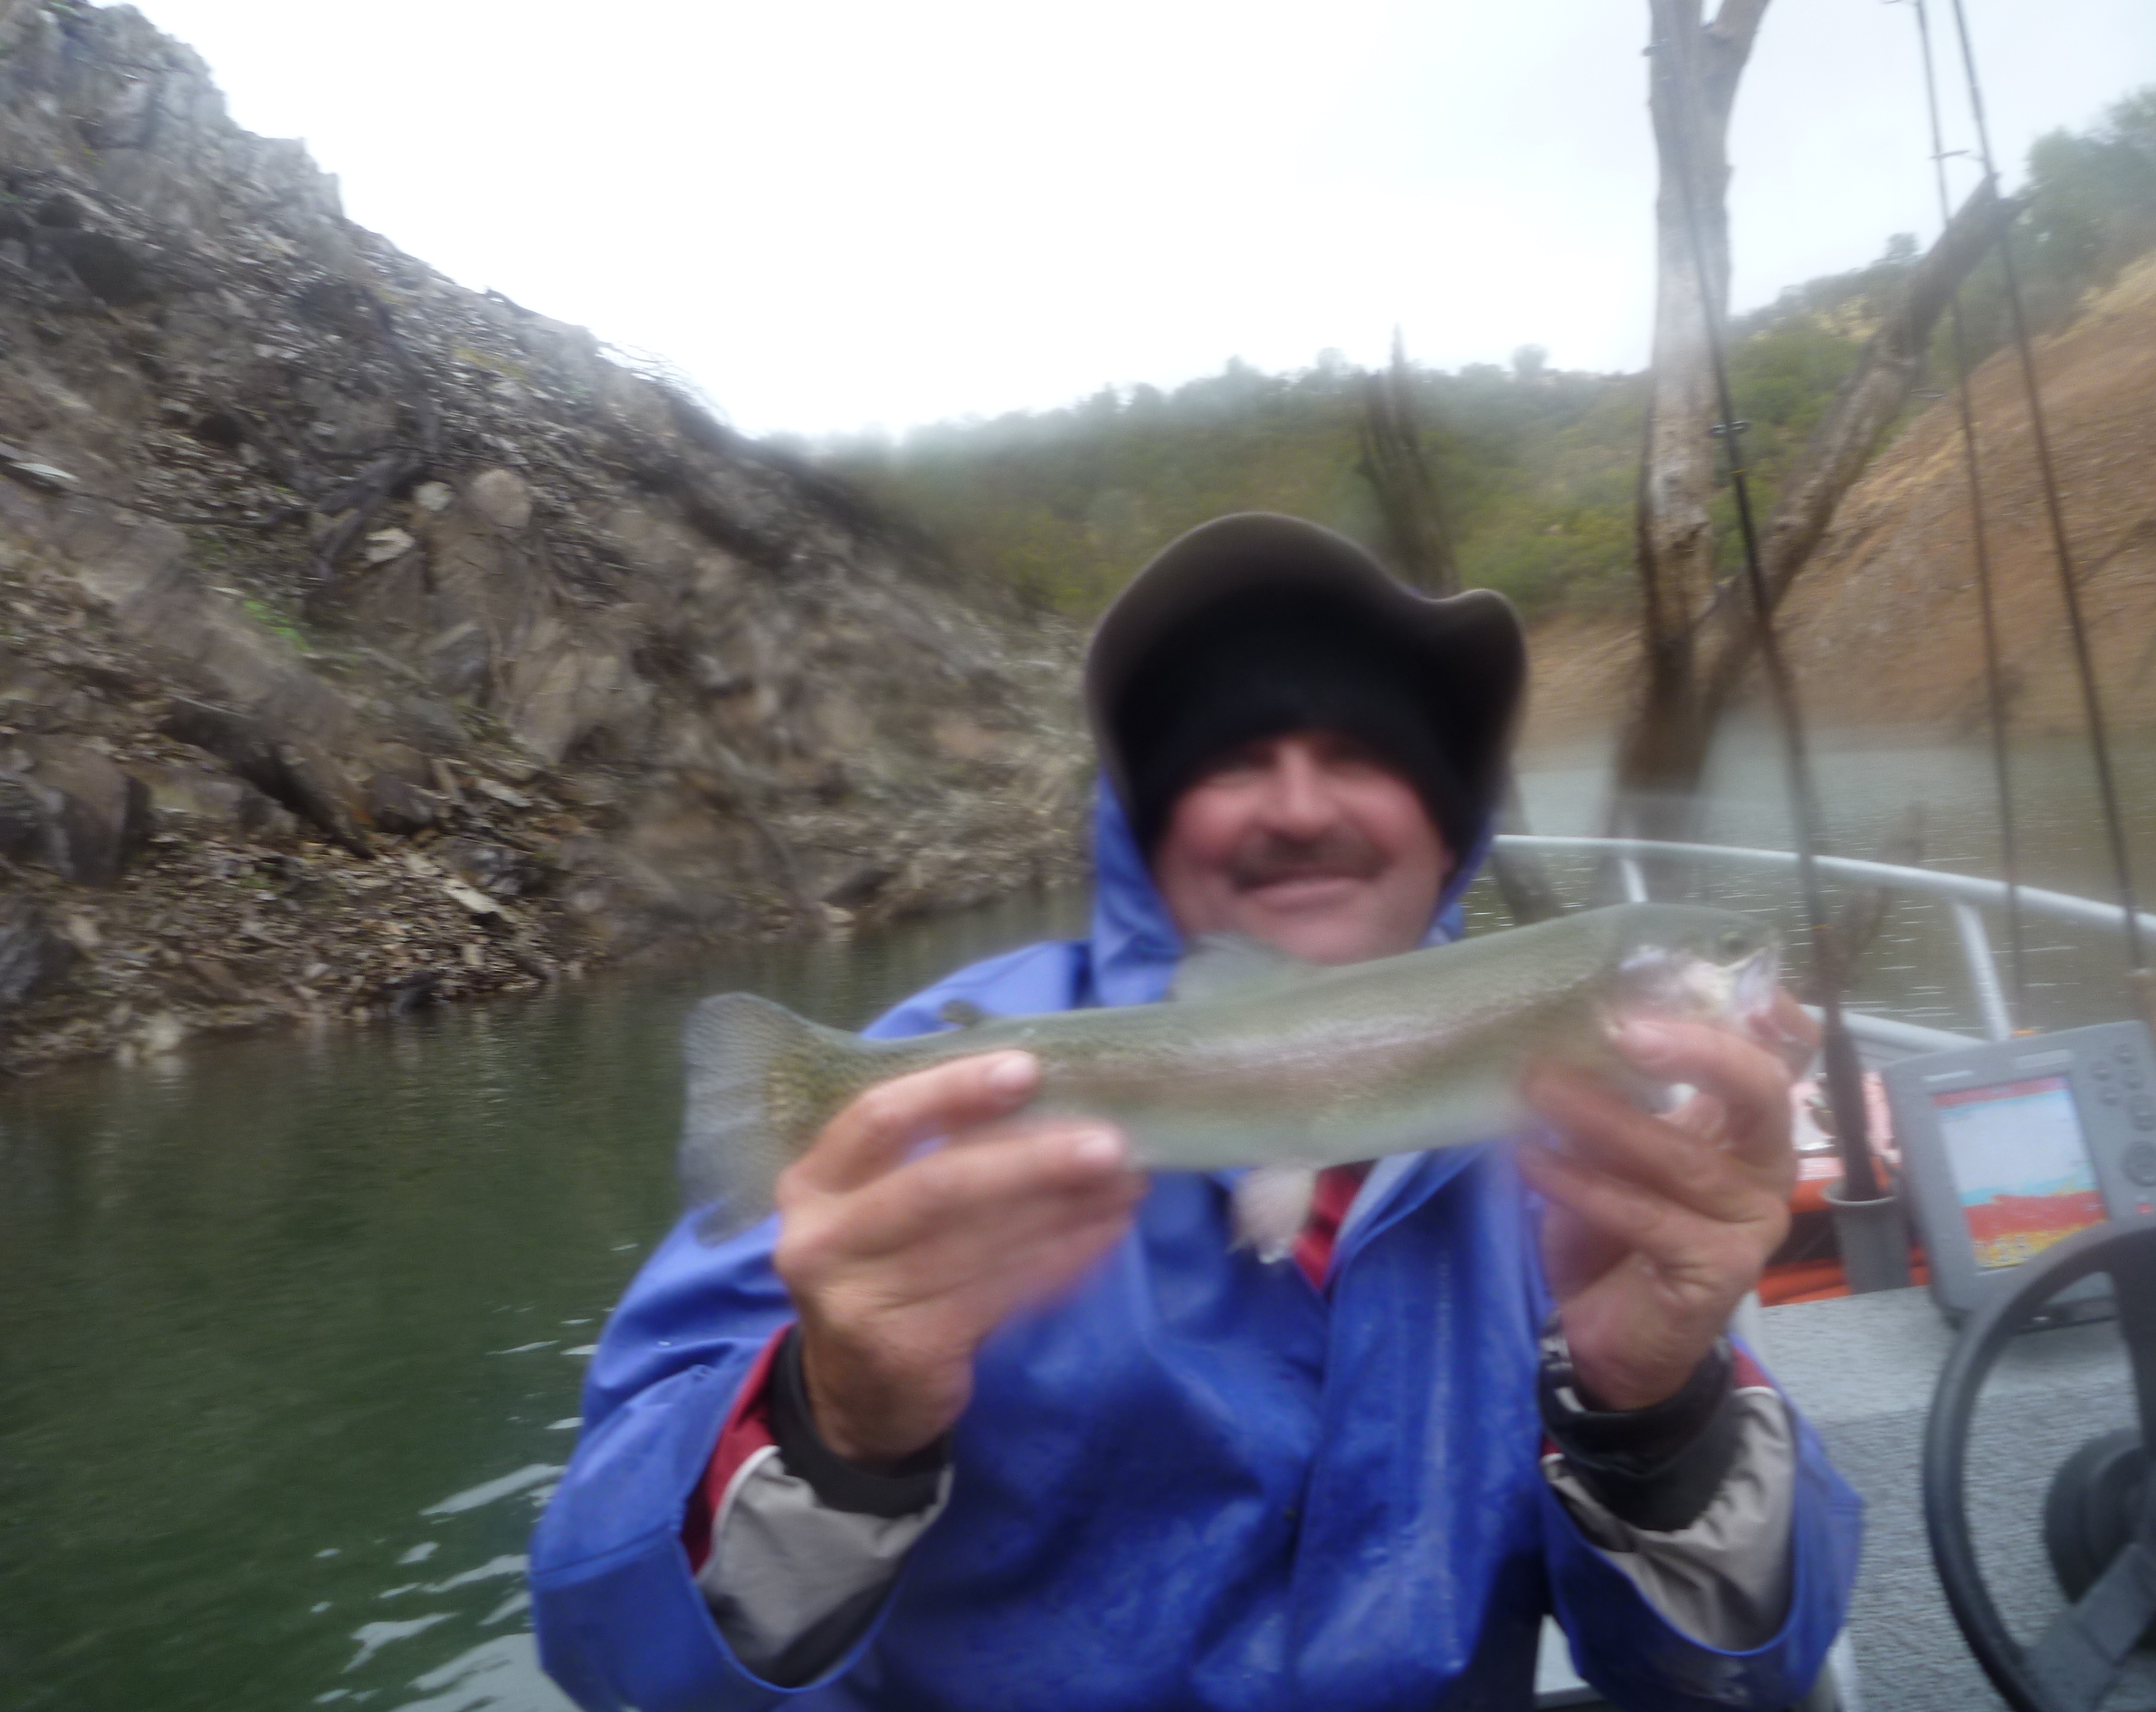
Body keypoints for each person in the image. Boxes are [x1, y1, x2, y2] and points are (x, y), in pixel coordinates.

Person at [529, 513, 1862, 1711]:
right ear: (1148, 820)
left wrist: (1652, 1413)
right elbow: (611, 1648)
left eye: (1360, 753)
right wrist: (832, 1425)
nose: (1299, 806)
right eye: (1234, 759)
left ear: (1448, 817)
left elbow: (1735, 1680)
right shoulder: (932, 1080)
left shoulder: (1602, 1163)